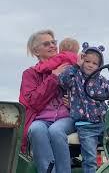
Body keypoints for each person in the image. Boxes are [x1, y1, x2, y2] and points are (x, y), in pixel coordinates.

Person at [59, 42, 109, 173]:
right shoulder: (75, 78)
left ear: (99, 66)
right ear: (81, 60)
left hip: (104, 123)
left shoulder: (101, 81)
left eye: (95, 63)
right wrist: (76, 65)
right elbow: (63, 80)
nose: (90, 65)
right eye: (87, 61)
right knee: (90, 159)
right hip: (85, 126)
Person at [19, 29, 75, 173]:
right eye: (46, 44)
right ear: (36, 51)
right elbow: (33, 102)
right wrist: (54, 77)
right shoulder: (30, 74)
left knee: (56, 131)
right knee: (36, 129)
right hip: (41, 118)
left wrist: (73, 101)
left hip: (65, 117)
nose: (52, 46)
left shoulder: (69, 68)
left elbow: (84, 91)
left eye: (53, 42)